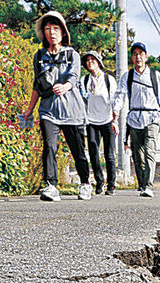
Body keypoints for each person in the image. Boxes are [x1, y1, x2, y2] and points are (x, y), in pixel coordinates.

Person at [23, 11, 91, 202]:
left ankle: (85, 183)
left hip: (72, 111)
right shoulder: (39, 56)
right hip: (48, 111)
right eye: (47, 29)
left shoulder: (72, 54)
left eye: (55, 29)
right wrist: (29, 110)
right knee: (49, 146)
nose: (51, 33)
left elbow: (74, 77)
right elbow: (37, 85)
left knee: (77, 150)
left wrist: (66, 86)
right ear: (43, 33)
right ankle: (51, 186)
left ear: (62, 32)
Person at [112, 42, 160, 198]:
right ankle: (141, 184)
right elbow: (120, 94)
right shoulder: (128, 76)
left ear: (146, 57)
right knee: (137, 155)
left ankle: (148, 186)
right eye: (135, 54)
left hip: (152, 117)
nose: (138, 56)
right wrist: (116, 109)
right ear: (132, 58)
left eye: (141, 53)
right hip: (134, 118)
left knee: (149, 151)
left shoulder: (154, 75)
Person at [81, 50, 117, 196]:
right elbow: (83, 101)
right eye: (88, 60)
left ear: (99, 62)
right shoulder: (85, 81)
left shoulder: (109, 80)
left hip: (107, 120)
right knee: (94, 153)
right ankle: (99, 181)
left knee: (109, 154)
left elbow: (115, 101)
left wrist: (115, 121)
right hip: (91, 121)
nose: (90, 62)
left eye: (93, 60)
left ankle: (111, 184)